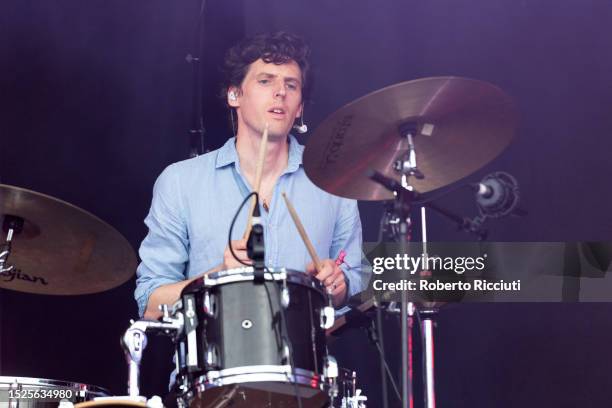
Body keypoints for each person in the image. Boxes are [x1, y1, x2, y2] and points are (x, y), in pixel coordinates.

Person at [135, 31, 367, 321]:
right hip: (212, 364)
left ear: (300, 109)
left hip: (301, 364)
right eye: (265, 80)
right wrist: (219, 276)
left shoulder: (333, 181)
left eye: (291, 85)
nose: (280, 91)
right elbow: (151, 302)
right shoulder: (180, 182)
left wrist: (339, 287)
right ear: (235, 95)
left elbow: (357, 280)